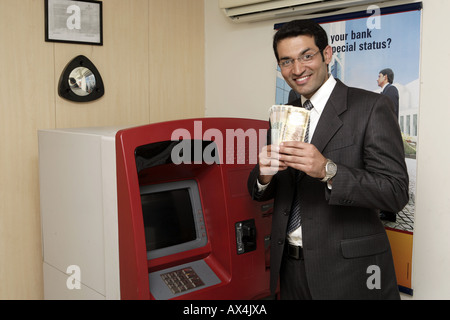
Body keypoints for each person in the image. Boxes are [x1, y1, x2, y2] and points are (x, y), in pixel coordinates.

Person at [247, 19, 409, 300]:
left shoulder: (371, 107)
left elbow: (395, 193)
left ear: (327, 55)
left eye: (306, 56)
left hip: (350, 274)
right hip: (290, 269)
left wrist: (327, 170)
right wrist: (264, 175)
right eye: (286, 61)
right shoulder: (283, 112)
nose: (297, 70)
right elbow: (261, 190)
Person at [377, 68, 401, 223]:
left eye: (379, 76)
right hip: (382, 138)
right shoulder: (384, 92)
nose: (377, 79)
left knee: (388, 174)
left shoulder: (391, 90)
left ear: (385, 77)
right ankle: (386, 211)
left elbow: (389, 115)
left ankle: (390, 213)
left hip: (387, 138)